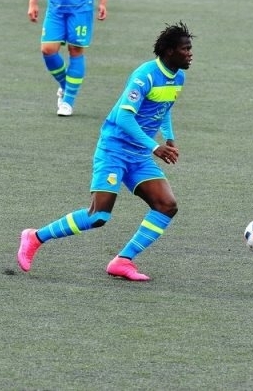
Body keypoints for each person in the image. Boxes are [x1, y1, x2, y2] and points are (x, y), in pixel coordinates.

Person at [17, 22, 195, 281]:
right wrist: (155, 146)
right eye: (185, 49)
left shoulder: (178, 77)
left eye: (190, 49)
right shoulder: (145, 75)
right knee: (98, 216)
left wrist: (169, 138)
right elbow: (124, 118)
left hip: (138, 156)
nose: (190, 54)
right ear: (169, 51)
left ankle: (122, 261)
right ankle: (35, 237)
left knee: (166, 206)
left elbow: (164, 107)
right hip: (114, 150)